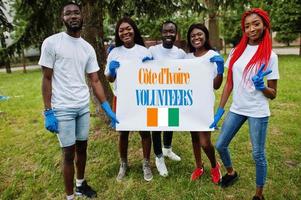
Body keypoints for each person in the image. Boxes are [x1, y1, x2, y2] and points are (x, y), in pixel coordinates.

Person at [39, 2, 118, 200]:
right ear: (62, 18)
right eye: (68, 13)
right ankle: (69, 196)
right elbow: (46, 78)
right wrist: (48, 111)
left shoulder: (87, 48)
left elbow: (95, 80)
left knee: (82, 147)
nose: (73, 16)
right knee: (68, 153)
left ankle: (81, 185)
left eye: (76, 12)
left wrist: (107, 109)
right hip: (62, 108)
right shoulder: (52, 43)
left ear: (82, 16)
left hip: (82, 106)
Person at [210, 8, 279, 200]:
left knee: (258, 154)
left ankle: (259, 194)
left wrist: (262, 87)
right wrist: (220, 111)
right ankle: (231, 172)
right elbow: (229, 83)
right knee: (221, 144)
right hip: (237, 108)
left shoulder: (270, 56)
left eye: (256, 24)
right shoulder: (236, 52)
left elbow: (273, 94)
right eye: (247, 26)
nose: (251, 29)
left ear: (265, 25)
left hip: (258, 111)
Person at [104, 16, 153, 182]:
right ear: (118, 34)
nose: (125, 32)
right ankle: (123, 164)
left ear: (134, 30)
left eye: (128, 28)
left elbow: (153, 77)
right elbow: (110, 79)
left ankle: (146, 163)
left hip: (141, 98)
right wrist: (112, 71)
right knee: (123, 132)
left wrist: (151, 65)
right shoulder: (115, 52)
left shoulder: (144, 51)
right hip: (122, 99)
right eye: (121, 30)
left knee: (145, 132)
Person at [185, 23, 224, 184]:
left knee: (204, 141)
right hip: (188, 103)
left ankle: (215, 166)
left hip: (204, 105)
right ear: (190, 39)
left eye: (199, 34)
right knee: (194, 137)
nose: (196, 38)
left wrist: (220, 69)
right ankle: (198, 166)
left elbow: (216, 85)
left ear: (205, 35)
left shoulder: (212, 56)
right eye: (193, 35)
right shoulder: (187, 58)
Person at [148, 20, 185, 177]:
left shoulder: (180, 53)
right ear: (161, 33)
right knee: (156, 127)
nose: (168, 34)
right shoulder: (152, 50)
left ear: (176, 34)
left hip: (172, 95)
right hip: (156, 95)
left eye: (172, 31)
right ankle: (158, 157)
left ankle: (167, 149)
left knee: (170, 121)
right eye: (165, 31)